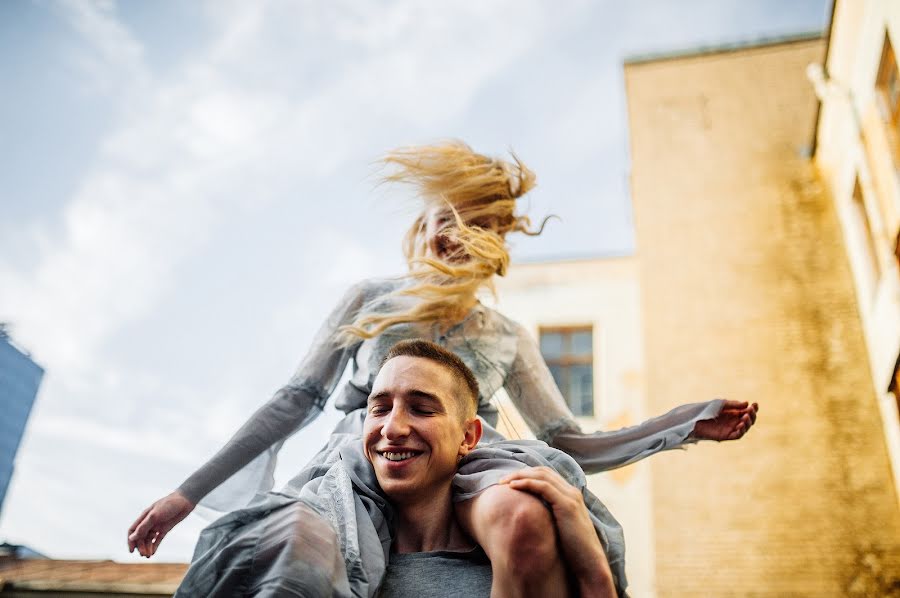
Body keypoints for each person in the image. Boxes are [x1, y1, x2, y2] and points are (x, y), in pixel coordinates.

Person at [128, 141, 758, 596]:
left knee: (526, 516)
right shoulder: (370, 299)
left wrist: (683, 425)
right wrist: (186, 495)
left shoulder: (506, 335)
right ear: (420, 227)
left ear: (495, 243)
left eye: (475, 225)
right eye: (444, 219)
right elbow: (296, 400)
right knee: (293, 549)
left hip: (472, 463)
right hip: (363, 463)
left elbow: (567, 442)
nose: (455, 235)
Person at [370, 339, 616, 598]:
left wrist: (594, 571)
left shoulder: (518, 558)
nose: (392, 428)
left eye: (422, 410)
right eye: (380, 409)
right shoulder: (345, 556)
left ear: (467, 437)